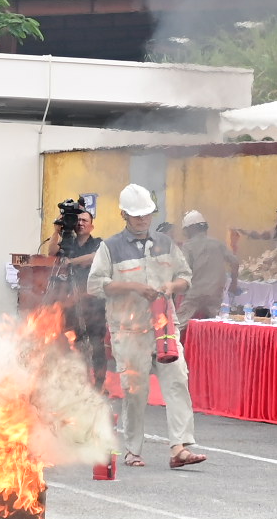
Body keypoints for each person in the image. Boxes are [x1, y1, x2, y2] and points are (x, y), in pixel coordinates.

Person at [88, 183, 207, 471]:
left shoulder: (166, 243)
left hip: (164, 325)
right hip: (128, 330)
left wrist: (171, 285)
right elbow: (94, 285)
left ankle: (180, 447)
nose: (142, 220)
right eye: (136, 215)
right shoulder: (110, 247)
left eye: (146, 215)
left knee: (177, 379)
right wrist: (133, 287)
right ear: (123, 215)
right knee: (135, 390)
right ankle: (132, 449)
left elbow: (185, 276)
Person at [45, 202, 103, 380]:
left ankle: (100, 381)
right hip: (72, 297)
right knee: (73, 339)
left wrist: (71, 262)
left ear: (91, 225)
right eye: (77, 220)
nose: (80, 223)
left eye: (85, 220)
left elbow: (95, 258)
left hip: (93, 301)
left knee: (96, 343)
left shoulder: (98, 243)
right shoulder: (68, 242)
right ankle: (78, 378)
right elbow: (52, 251)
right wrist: (57, 231)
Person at [177, 211, 238, 324]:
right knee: (213, 327)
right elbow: (234, 262)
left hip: (195, 294)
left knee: (179, 325)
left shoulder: (188, 246)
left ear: (191, 229)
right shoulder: (217, 244)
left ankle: (175, 342)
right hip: (216, 293)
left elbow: (184, 271)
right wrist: (234, 283)